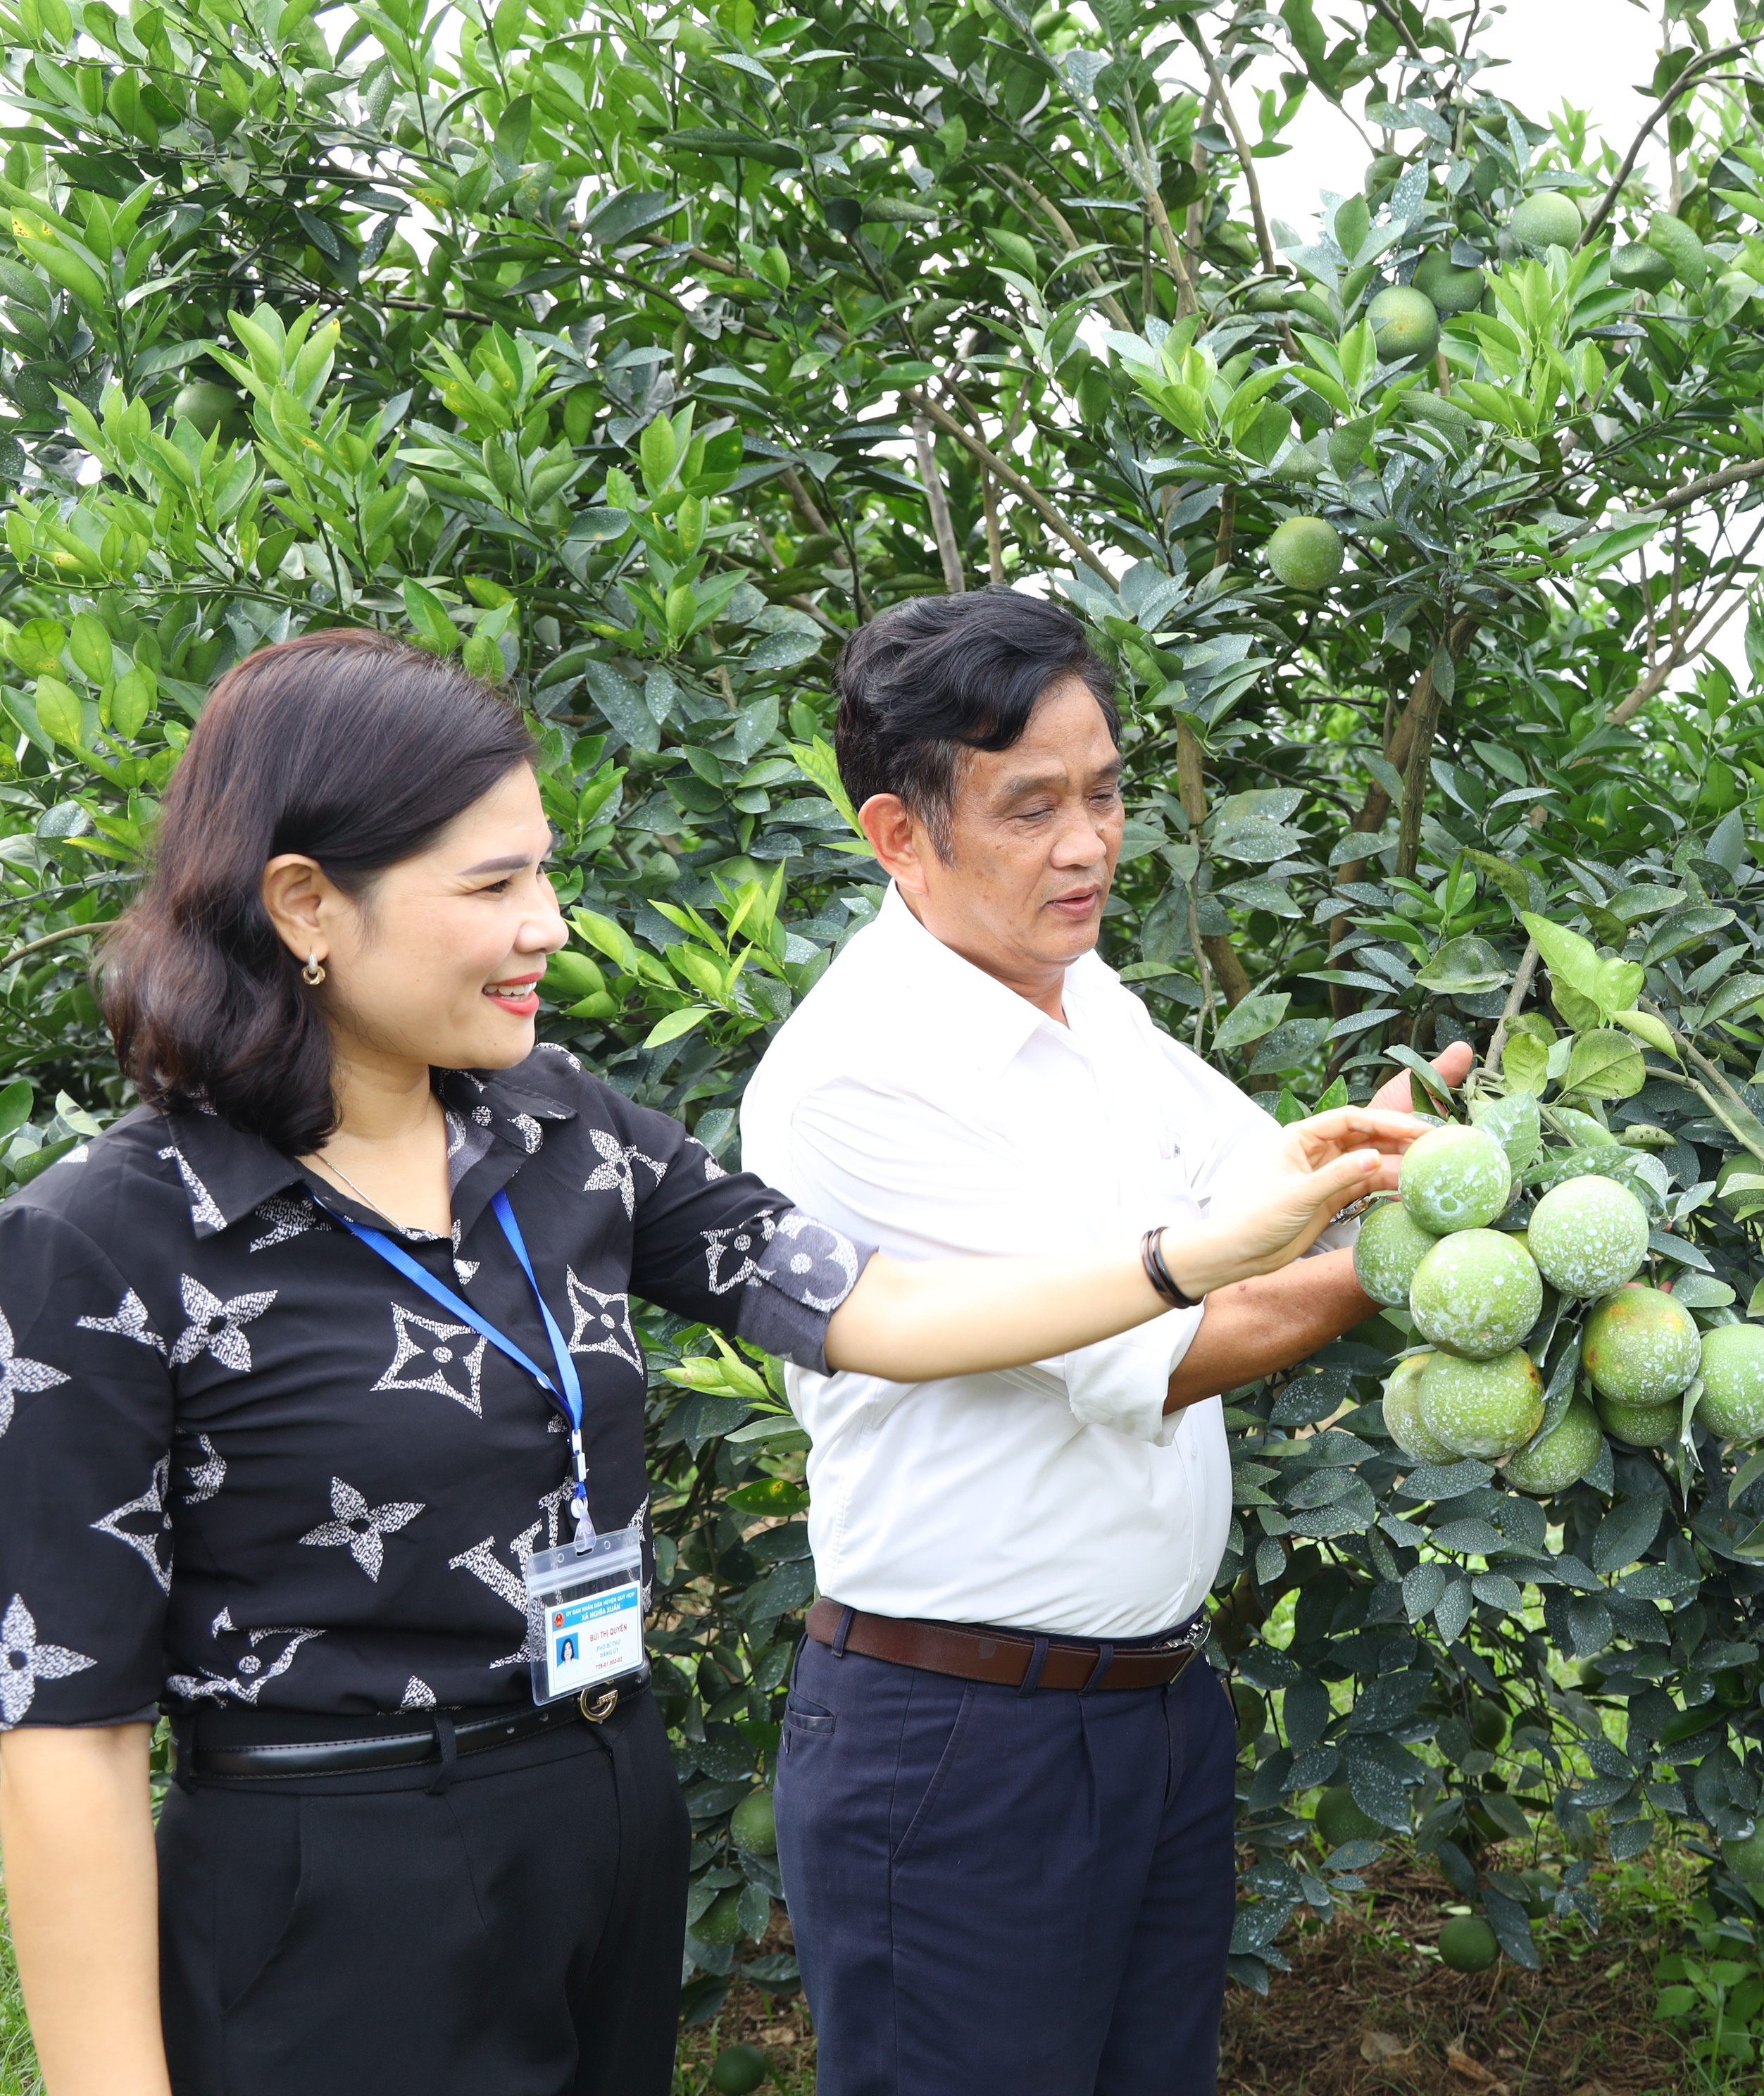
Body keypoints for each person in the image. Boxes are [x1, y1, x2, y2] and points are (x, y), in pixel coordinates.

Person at [0, 631, 1415, 2096]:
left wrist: (1192, 1255)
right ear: (305, 904)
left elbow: (874, 1311)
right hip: (339, 1863)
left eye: (542, 872)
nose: (548, 924)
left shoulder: (554, 1129)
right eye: (492, 887)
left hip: (600, 1808)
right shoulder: (110, 1242)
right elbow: (66, 1727)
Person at [737, 589, 1468, 2096]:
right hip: (959, 1743)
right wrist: (1431, 1266)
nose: (1090, 844)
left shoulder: (1091, 1006)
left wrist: (1413, 1163)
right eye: (1032, 808)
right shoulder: (858, 1081)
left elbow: (1268, 1192)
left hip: (1148, 1714)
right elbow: (1179, 1335)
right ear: (899, 832)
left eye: (1108, 793)